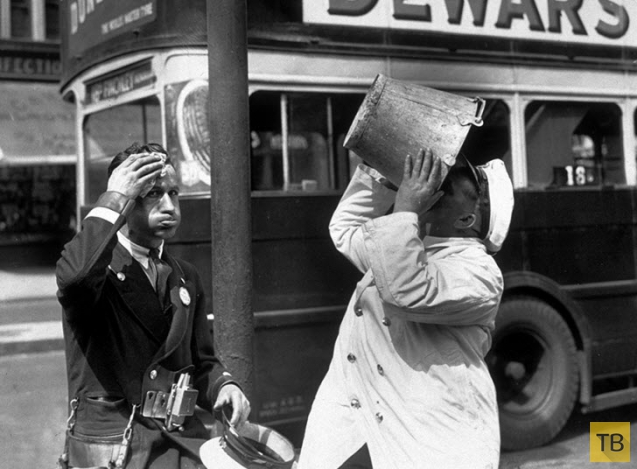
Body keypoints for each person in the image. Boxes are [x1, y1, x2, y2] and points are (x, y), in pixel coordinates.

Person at [298, 149, 514, 469]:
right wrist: (380, 167)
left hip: (435, 439)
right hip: (362, 426)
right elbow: (346, 229)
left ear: (466, 219)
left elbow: (407, 292)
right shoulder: (407, 245)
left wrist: (405, 208)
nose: (428, 190)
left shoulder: (480, 272)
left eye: (443, 191)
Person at [56, 142, 251, 469]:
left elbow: (200, 362)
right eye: (153, 194)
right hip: (118, 447)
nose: (169, 206)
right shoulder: (97, 271)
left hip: (180, 440)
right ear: (127, 200)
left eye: (173, 193)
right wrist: (114, 197)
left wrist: (223, 385)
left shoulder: (184, 275)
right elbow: (75, 276)